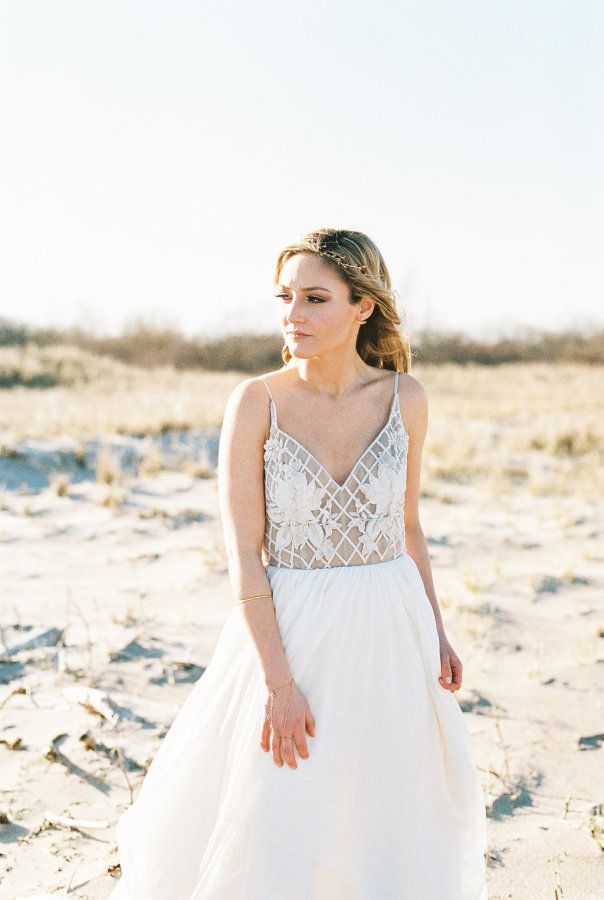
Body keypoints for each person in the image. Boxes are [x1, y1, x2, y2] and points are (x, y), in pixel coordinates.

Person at [109, 227, 489, 899]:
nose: (294, 315)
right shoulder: (256, 401)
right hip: (295, 631)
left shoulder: (407, 399)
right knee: (281, 808)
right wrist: (280, 686)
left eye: (316, 298)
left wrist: (438, 627)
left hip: (392, 630)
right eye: (286, 298)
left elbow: (406, 525)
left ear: (362, 306)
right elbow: (244, 555)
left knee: (384, 808)